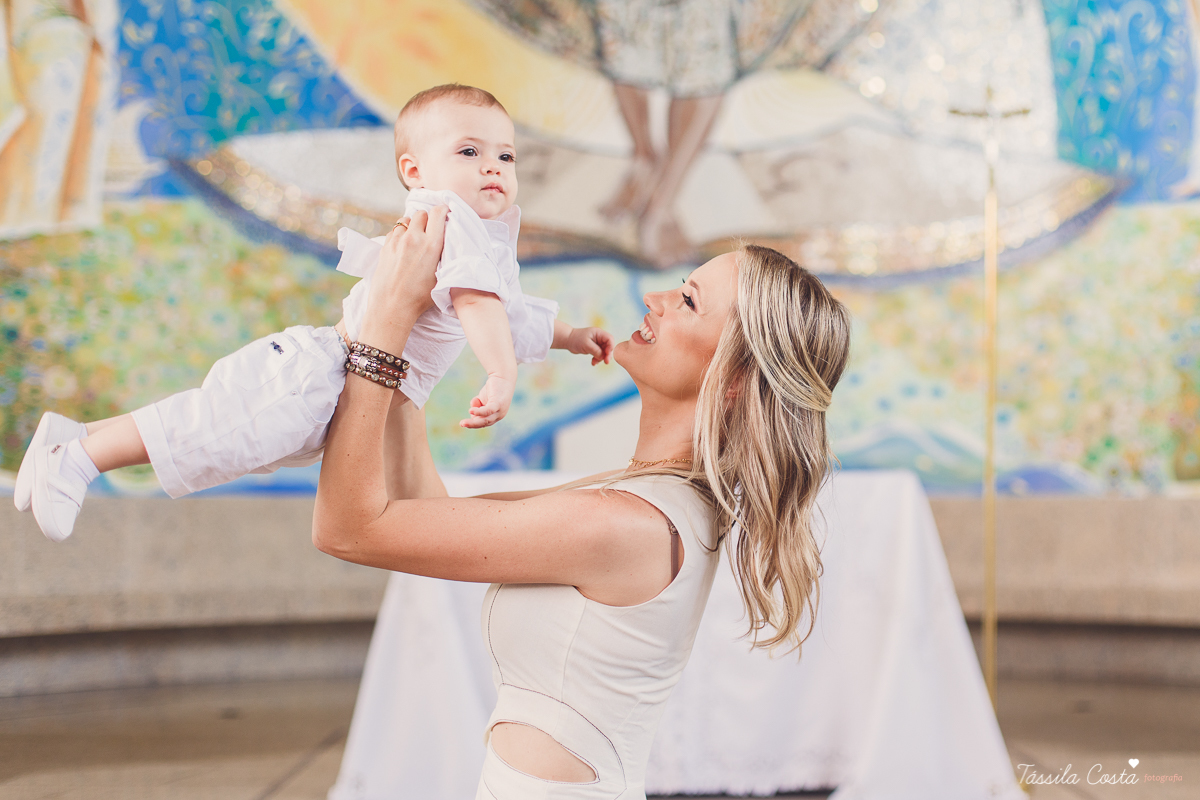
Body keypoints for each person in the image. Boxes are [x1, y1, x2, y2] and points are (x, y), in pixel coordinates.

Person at [311, 205, 852, 799]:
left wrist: (385, 321)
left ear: (734, 381)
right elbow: (420, 510)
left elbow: (350, 529)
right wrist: (413, 342)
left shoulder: (627, 525)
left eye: (688, 301)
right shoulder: (646, 496)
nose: (654, 297)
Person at [14, 84, 613, 542]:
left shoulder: (480, 238)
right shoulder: (447, 221)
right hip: (323, 370)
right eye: (469, 151)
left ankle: (77, 438)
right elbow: (479, 304)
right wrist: (501, 374)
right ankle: (79, 459)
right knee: (216, 433)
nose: (493, 167)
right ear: (415, 173)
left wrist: (570, 335)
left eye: (505, 156)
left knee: (227, 440)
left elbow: (510, 310)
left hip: (347, 385)